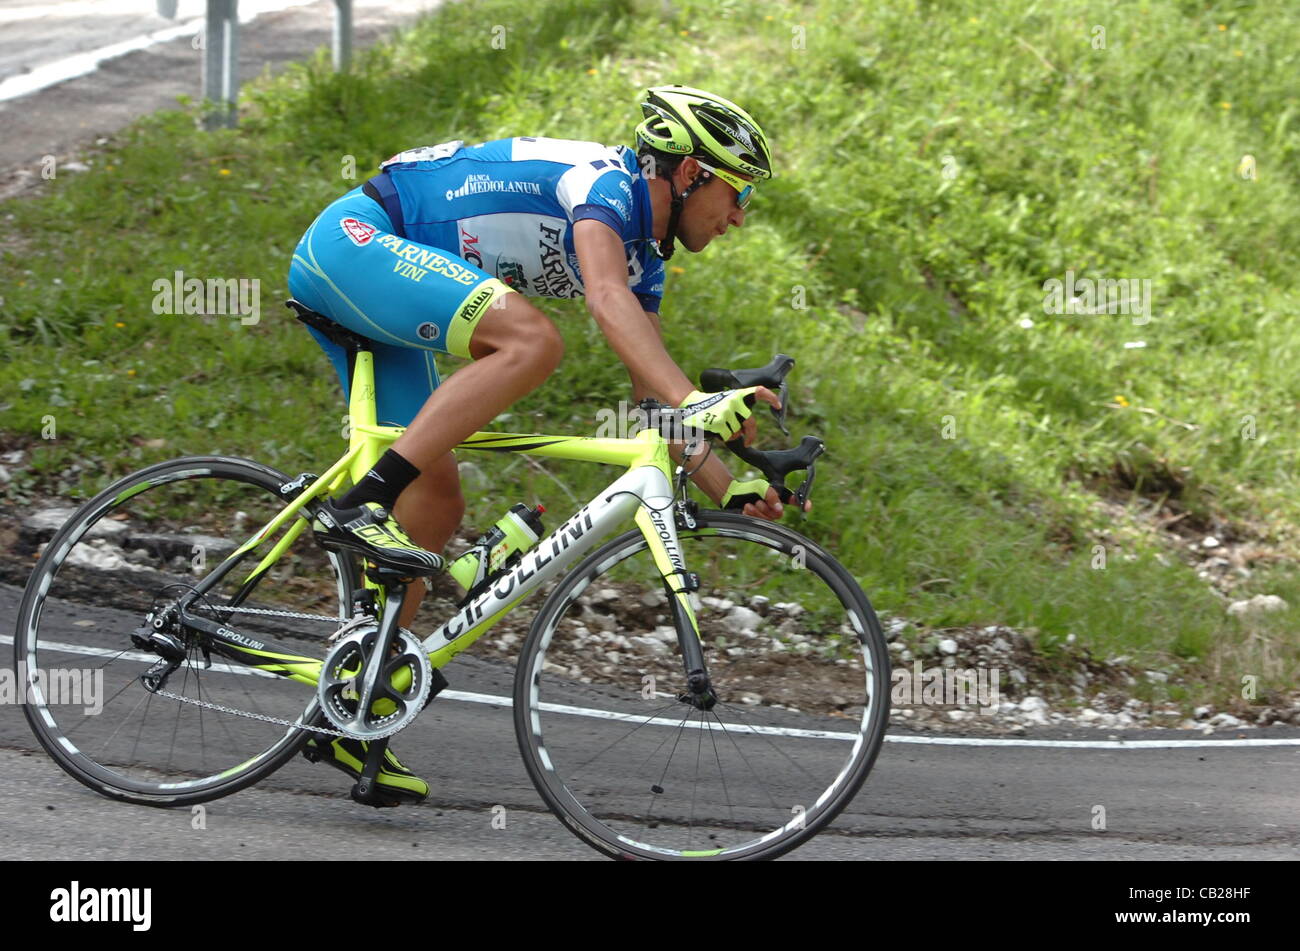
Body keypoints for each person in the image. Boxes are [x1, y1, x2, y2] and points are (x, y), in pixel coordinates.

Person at [287, 84, 802, 805]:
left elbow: (652, 403)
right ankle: (356, 504)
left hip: (392, 281)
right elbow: (603, 298)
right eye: (736, 192)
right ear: (690, 174)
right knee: (532, 340)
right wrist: (698, 398)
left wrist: (734, 487)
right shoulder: (608, 188)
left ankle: (354, 705)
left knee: (435, 502)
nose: (739, 216)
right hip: (355, 246)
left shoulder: (644, 259)